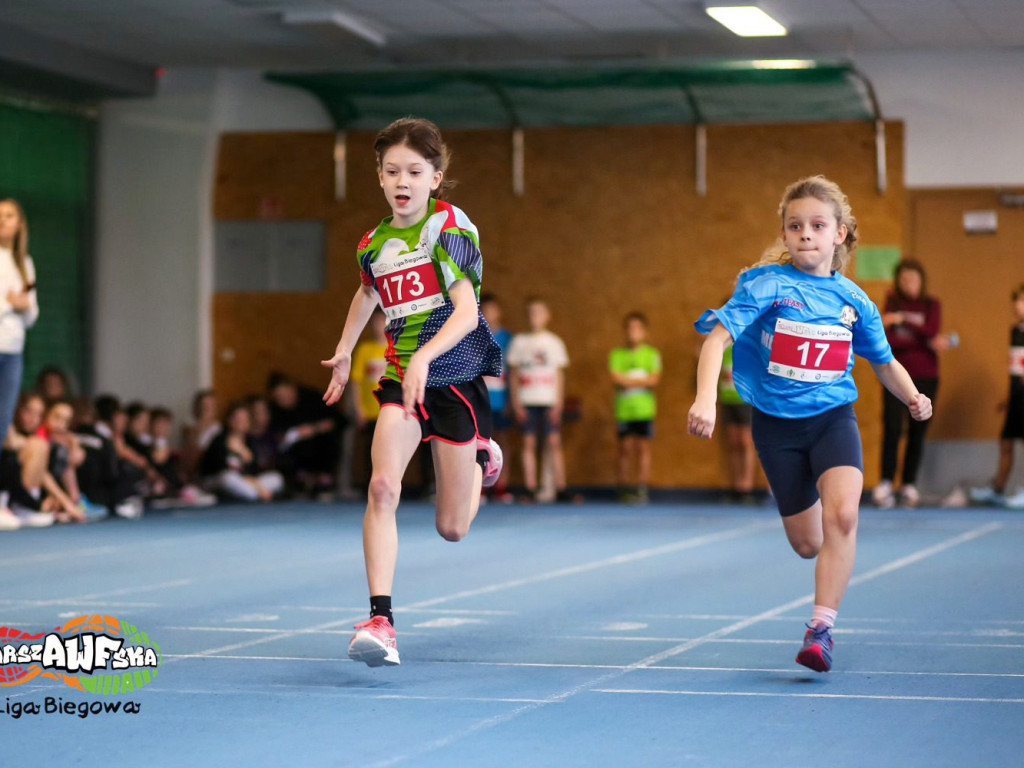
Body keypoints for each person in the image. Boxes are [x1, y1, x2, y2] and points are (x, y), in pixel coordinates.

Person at [688, 175, 932, 673]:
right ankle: (821, 529)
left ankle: (820, 630)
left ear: (839, 234)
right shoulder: (767, 286)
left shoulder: (856, 302)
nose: (805, 234)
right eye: (795, 226)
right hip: (776, 426)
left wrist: (912, 397)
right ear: (784, 233)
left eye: (818, 225)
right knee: (808, 544)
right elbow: (716, 340)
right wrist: (706, 399)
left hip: (832, 420)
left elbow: (885, 362)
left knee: (843, 518)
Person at [320, 117, 503, 667]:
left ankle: (482, 460)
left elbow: (467, 312)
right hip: (402, 380)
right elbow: (366, 295)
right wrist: (345, 349)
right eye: (393, 171)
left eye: (415, 172)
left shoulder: (448, 228)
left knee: (452, 528)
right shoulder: (374, 243)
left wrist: (427, 355)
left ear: (435, 177)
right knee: (382, 487)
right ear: (379, 176)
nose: (403, 181)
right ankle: (381, 620)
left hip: (454, 380)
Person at [871, 259, 942, 508]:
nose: (909, 283)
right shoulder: (891, 303)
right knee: (892, 428)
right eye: (904, 279)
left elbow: (931, 331)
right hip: (895, 378)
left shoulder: (931, 305)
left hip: (926, 376)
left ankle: (909, 484)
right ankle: (886, 482)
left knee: (917, 430)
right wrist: (921, 339)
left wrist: (901, 320)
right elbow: (888, 342)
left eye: (913, 279)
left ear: (921, 281)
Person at [507, 298, 570, 502]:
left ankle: (561, 488)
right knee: (528, 442)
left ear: (547, 316)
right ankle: (530, 487)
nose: (534, 316)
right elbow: (514, 375)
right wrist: (516, 403)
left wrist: (558, 403)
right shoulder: (519, 342)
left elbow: (559, 375)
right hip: (527, 400)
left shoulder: (554, 343)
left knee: (554, 442)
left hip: (548, 400)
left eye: (539, 312)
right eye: (531, 312)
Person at [970, 285, 1024, 507]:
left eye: (1023, 301)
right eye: (1016, 301)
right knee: (1006, 441)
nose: (1018, 306)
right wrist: (1008, 396)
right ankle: (998, 489)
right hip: (1017, 396)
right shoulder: (1015, 331)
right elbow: (1015, 368)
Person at [608, 312, 661, 504]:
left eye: (638, 328)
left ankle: (641, 487)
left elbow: (653, 380)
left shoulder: (652, 355)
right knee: (626, 448)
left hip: (644, 410)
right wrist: (641, 380)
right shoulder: (617, 355)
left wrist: (629, 381)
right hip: (625, 411)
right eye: (630, 328)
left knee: (643, 448)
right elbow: (616, 378)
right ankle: (624, 487)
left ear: (644, 331)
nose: (634, 332)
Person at [0, 199, 39, 444]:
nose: (2, 220)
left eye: (9, 215)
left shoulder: (25, 263)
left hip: (14, 351)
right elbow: (12, 303)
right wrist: (9, 304)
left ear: (20, 224)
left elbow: (31, 316)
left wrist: (23, 306)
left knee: (3, 423)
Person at [200, 401, 284, 502]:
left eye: (245, 419)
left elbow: (255, 471)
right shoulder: (220, 440)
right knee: (228, 478)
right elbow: (220, 469)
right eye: (238, 419)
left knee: (276, 478)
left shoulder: (250, 441)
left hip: (248, 482)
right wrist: (256, 485)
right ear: (230, 420)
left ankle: (251, 494)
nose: (242, 422)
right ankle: (254, 495)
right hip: (220, 480)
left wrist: (255, 482)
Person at [348, 310, 389, 490]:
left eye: (384, 321)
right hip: (371, 411)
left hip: (390, 410)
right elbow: (356, 381)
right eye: (377, 322)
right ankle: (370, 485)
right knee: (370, 450)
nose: (381, 326)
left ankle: (391, 485)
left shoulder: (398, 348)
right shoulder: (365, 350)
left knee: (391, 449)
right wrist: (359, 408)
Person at [480, 293, 514, 502]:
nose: (489, 314)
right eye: (485, 311)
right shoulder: (474, 336)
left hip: (501, 401)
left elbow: (513, 372)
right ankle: (481, 487)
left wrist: (511, 400)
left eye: (492, 310)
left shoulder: (508, 339)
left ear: (498, 312)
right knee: (481, 443)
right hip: (482, 400)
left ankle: (501, 486)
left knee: (502, 441)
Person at [719, 342, 757, 502]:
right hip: (728, 400)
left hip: (745, 400)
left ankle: (746, 487)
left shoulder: (748, 348)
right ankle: (735, 486)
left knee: (746, 442)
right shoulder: (724, 349)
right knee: (733, 443)